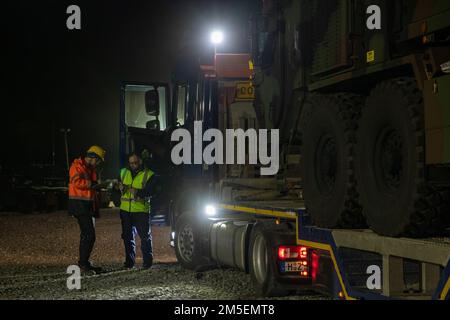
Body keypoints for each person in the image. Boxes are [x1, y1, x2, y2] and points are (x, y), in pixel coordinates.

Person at [68, 145, 106, 273]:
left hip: (86, 205)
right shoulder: (76, 166)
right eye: (98, 160)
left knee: (87, 235)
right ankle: (83, 264)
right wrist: (93, 184)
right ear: (92, 157)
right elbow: (76, 182)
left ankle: (84, 262)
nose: (99, 163)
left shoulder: (90, 169)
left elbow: (92, 187)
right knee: (89, 235)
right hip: (79, 205)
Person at [117, 153, 155, 270]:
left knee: (144, 237)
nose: (133, 165)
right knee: (127, 237)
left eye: (135, 163)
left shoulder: (149, 174)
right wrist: (118, 187)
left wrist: (137, 192)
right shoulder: (123, 172)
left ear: (140, 162)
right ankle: (129, 263)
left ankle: (147, 263)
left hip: (141, 211)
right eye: (131, 163)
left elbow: (152, 192)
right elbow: (115, 187)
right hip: (125, 210)